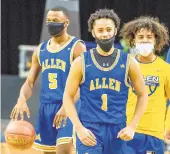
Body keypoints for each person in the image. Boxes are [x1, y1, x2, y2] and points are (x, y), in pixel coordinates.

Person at [63, 9, 148, 154]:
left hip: (117, 130)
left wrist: (132, 126)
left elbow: (143, 95)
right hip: (89, 129)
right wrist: (78, 127)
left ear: (115, 30)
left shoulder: (128, 62)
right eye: (100, 30)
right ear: (93, 32)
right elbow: (68, 96)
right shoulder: (81, 62)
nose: (105, 34)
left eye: (108, 29)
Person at [10, 7, 86, 154]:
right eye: (49, 21)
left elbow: (83, 83)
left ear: (66, 23)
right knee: (48, 151)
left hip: (70, 105)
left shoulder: (77, 47)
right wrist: (21, 99)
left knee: (64, 150)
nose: (51, 23)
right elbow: (30, 82)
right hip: (46, 107)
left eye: (55, 21)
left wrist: (67, 106)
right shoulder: (41, 50)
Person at [120, 16, 170, 154]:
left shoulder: (166, 69)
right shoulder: (126, 67)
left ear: (156, 39)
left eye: (149, 37)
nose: (145, 40)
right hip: (128, 130)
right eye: (140, 37)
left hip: (154, 133)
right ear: (133, 40)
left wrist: (169, 124)